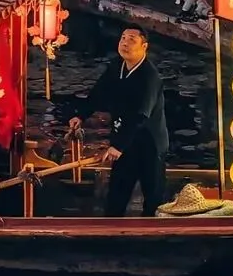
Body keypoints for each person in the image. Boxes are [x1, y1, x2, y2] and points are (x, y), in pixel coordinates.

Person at [67, 27, 168, 216]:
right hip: (124, 140)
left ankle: (152, 232)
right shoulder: (116, 66)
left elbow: (140, 116)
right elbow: (98, 93)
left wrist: (118, 146)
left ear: (144, 46)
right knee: (116, 196)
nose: (125, 43)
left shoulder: (149, 77)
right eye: (123, 38)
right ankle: (112, 229)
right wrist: (80, 115)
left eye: (132, 39)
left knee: (153, 200)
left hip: (149, 144)